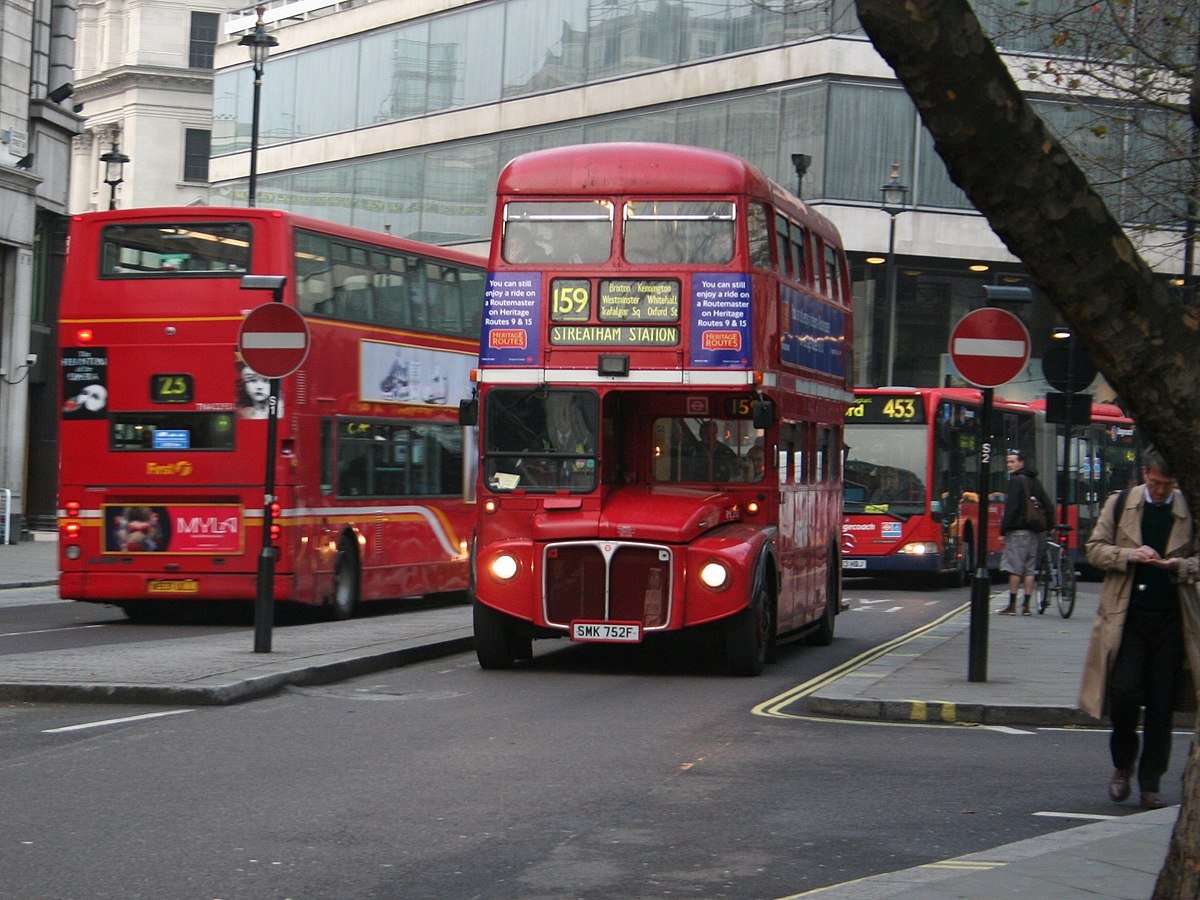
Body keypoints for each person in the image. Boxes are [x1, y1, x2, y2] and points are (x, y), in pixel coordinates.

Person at [1080, 450, 1200, 810]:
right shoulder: (1120, 505)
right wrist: (1127, 556)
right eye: (1156, 483)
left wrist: (1180, 565)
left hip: (1172, 620)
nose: (1161, 491)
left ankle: (1150, 784)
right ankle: (1122, 765)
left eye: (1168, 485)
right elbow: (1094, 550)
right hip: (1127, 617)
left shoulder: (1188, 509)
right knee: (1126, 695)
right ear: (1145, 475)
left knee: (1162, 707)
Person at [998, 449, 1054, 615]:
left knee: (1015, 568)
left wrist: (1003, 529)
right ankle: (1027, 607)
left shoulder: (1016, 481)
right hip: (1034, 532)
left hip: (1017, 532)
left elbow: (1012, 508)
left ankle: (1012, 605)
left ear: (1021, 463)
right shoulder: (1035, 481)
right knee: (1029, 570)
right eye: (1008, 462)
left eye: (1012, 462)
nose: (1009, 465)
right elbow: (1048, 506)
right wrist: (1049, 527)